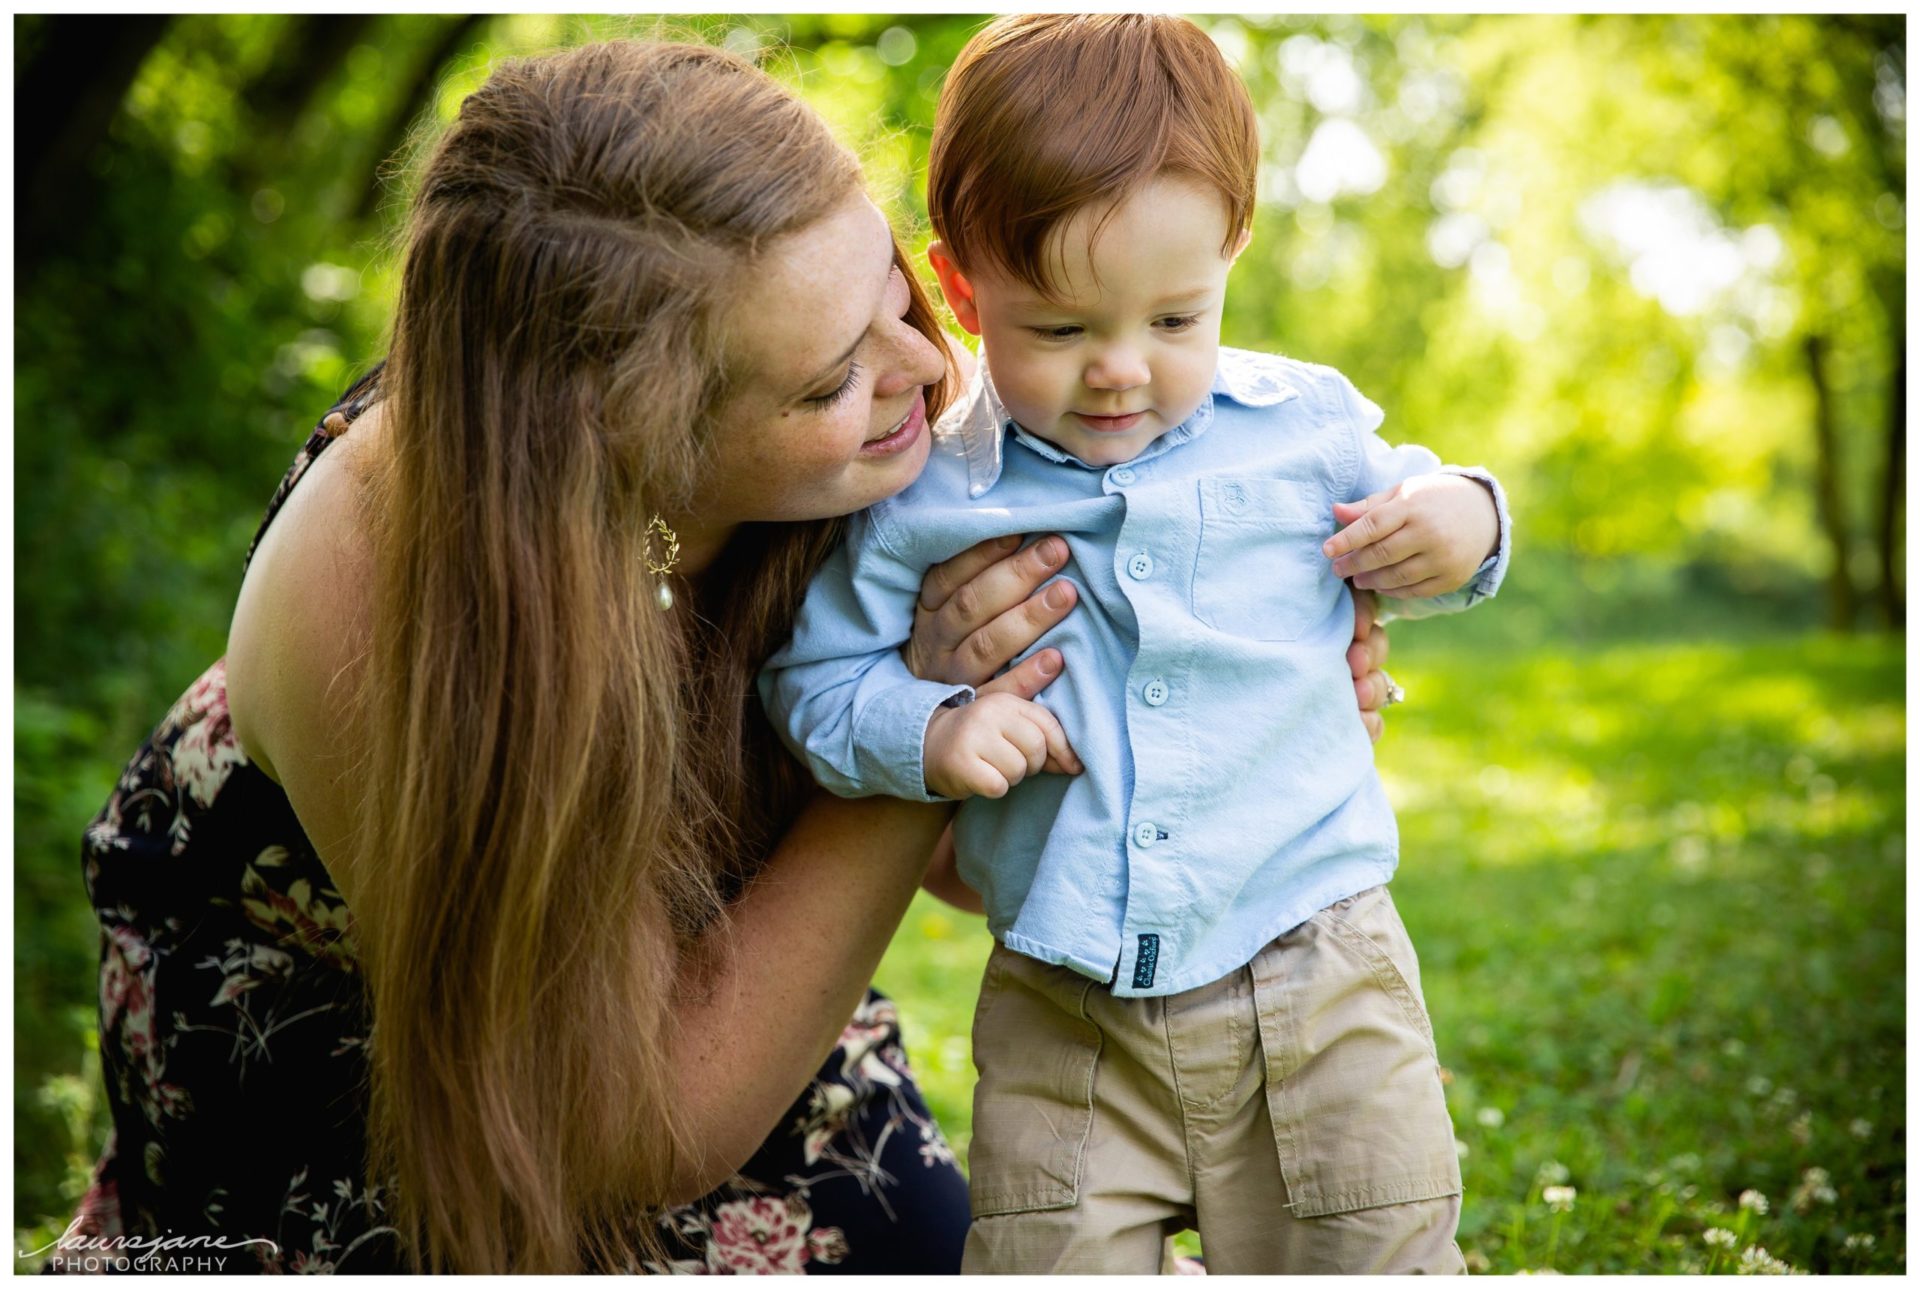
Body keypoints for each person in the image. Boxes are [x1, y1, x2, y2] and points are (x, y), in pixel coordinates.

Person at [64, 38, 1402, 1276]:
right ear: (626, 431)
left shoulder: (897, 444)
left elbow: (965, 871)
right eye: (825, 383)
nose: (925, 377)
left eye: (892, 293)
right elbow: (648, 1122)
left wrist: (1220, 721)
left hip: (747, 973)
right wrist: (923, 723)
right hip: (395, 1066)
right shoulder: (383, 585)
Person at [761, 15, 1510, 1275]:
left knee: (1365, 1247)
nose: (1120, 370)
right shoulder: (926, 497)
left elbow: (1432, 509)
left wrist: (1467, 517)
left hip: (1315, 966)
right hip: (1068, 1005)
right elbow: (815, 683)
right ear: (961, 291)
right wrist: (931, 727)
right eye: (1059, 329)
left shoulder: (1302, 430)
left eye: (1175, 319)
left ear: (1231, 255)